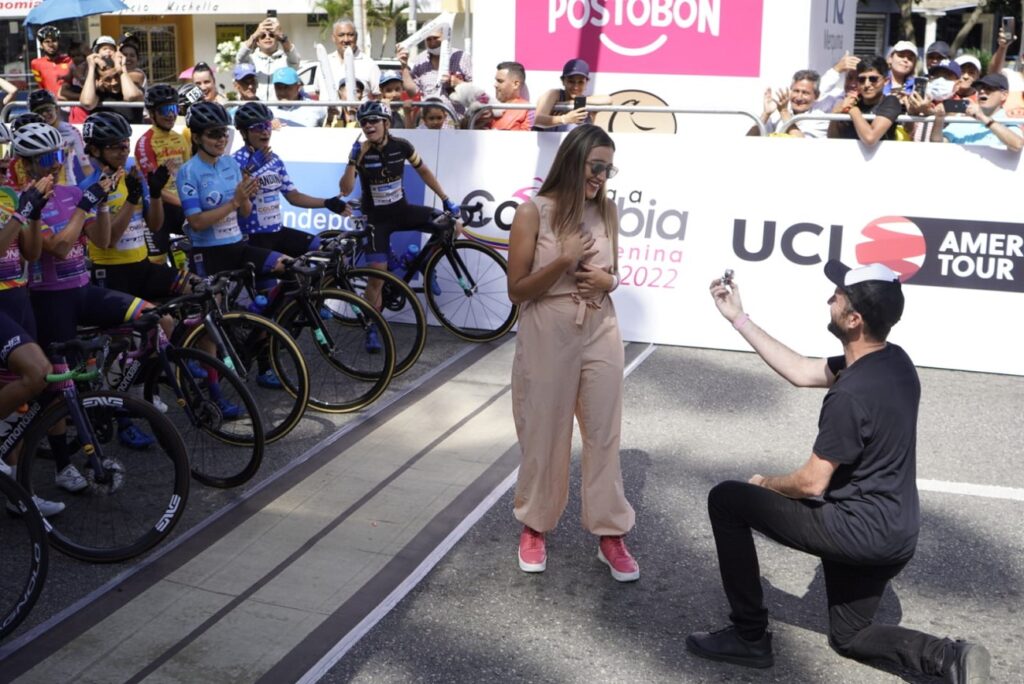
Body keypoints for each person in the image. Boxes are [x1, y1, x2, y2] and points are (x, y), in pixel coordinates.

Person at [687, 260, 991, 684]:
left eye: (838, 296)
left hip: (858, 531)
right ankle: (947, 657)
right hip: (897, 534)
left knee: (727, 500)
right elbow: (801, 371)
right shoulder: (893, 362)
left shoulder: (850, 394)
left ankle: (749, 636)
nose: (829, 298)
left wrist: (765, 485)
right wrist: (738, 317)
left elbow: (811, 483)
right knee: (850, 635)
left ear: (853, 319)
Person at [505, 124, 636, 582]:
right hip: (547, 329)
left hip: (600, 323)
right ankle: (535, 525)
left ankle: (610, 533)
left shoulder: (609, 211)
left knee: (603, 432)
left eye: (608, 168)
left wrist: (611, 282)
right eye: (595, 166)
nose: (601, 176)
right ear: (572, 160)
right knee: (544, 431)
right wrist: (562, 260)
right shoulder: (533, 212)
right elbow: (517, 290)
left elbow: (611, 271)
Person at [20, 121, 154, 459]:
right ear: (25, 165)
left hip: (84, 289)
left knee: (153, 318)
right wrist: (85, 207)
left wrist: (104, 203)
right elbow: (60, 248)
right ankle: (64, 464)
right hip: (50, 299)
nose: (53, 163)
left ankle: (122, 403)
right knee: (57, 388)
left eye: (58, 154)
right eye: (44, 157)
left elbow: (102, 239)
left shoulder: (71, 193)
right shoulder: (26, 202)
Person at [339, 100, 460, 351]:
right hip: (377, 221)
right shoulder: (361, 151)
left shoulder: (402, 146)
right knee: (377, 277)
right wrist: (352, 161)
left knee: (451, 226)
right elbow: (345, 189)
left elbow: (424, 172)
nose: (368, 125)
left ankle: (426, 265)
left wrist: (447, 200)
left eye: (374, 120)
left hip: (402, 211)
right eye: (364, 122)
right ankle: (372, 327)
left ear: (385, 123)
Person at [0, 122, 65, 517]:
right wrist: (22, 211)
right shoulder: (13, 198)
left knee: (23, 400)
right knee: (37, 373)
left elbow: (32, 251)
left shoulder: (9, 193)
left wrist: (34, 213)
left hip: (19, 298)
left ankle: (17, 490)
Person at [231, 101, 347, 255]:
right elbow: (235, 203)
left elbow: (294, 197)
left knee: (328, 250)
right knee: (272, 276)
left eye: (267, 125)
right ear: (244, 133)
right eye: (258, 128)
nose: (265, 132)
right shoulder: (234, 161)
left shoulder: (275, 160)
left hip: (277, 230)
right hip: (252, 236)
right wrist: (249, 170)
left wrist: (326, 203)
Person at [135, 84, 191, 265]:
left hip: (179, 205)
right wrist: (184, 203)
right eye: (164, 110)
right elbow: (153, 186)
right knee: (156, 262)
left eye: (174, 108)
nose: (170, 114)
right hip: (156, 207)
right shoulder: (145, 142)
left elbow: (188, 176)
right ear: (151, 113)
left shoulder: (180, 138)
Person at [930, 73, 1024, 151]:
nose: (982, 91)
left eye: (989, 88)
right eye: (980, 88)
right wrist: (939, 119)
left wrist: (983, 118)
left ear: (1004, 95)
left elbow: (1017, 145)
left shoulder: (1007, 123)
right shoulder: (964, 120)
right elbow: (938, 144)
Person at [396, 23, 473, 116]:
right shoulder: (420, 60)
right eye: (428, 39)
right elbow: (413, 92)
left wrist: (456, 82)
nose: (432, 42)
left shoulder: (461, 57)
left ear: (444, 36)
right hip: (428, 124)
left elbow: (474, 90)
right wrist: (404, 66)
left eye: (436, 38)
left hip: (456, 122)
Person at [828, 56, 901, 146]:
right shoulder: (853, 102)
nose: (867, 84)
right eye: (861, 79)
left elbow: (870, 138)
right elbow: (832, 139)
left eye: (873, 79)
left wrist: (853, 110)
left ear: (886, 81)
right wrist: (835, 115)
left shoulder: (891, 101)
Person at [28, 89, 92, 184]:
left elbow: (85, 165)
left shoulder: (71, 131)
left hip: (67, 187)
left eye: (47, 109)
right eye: (39, 112)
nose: (44, 114)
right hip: (39, 188)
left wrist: (96, 187)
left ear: (57, 109)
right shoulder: (28, 134)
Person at [235, 15, 300, 102]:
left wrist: (281, 36)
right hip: (258, 109)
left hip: (279, 109)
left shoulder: (285, 59)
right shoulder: (251, 59)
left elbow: (295, 58)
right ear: (257, 42)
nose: (267, 37)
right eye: (262, 36)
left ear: (277, 39)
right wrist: (254, 35)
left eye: (272, 35)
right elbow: (240, 58)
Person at [747, 69, 828, 138]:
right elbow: (748, 141)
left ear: (816, 96)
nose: (799, 97)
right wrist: (765, 114)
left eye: (805, 93)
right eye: (796, 91)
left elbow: (803, 146)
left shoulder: (821, 119)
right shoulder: (776, 114)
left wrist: (784, 112)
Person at [533, 59, 610, 131]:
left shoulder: (588, 100)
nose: (576, 87)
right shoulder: (555, 94)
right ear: (563, 81)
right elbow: (537, 119)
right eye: (571, 81)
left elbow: (608, 100)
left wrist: (573, 102)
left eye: (580, 82)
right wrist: (565, 119)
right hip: (551, 145)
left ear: (587, 83)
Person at [77, 51, 145, 124]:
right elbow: (87, 103)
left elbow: (131, 96)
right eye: (107, 79)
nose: (114, 82)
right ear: (99, 80)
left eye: (116, 76)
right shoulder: (97, 93)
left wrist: (122, 66)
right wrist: (91, 67)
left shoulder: (134, 88)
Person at [328, 19, 381, 97]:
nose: (346, 40)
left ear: (356, 37)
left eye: (350, 35)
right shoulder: (325, 62)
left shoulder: (369, 64)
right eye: (341, 35)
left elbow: (379, 95)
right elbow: (319, 92)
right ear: (333, 38)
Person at [30, 25, 73, 98]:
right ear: (41, 45)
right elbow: (41, 85)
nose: (51, 44)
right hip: (50, 104)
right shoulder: (35, 63)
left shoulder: (70, 60)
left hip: (70, 103)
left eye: (54, 41)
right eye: (47, 41)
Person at [491, 61, 533, 131]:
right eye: (496, 81)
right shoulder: (487, 107)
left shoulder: (528, 110)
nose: (495, 85)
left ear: (516, 84)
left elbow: (526, 139)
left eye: (500, 81)